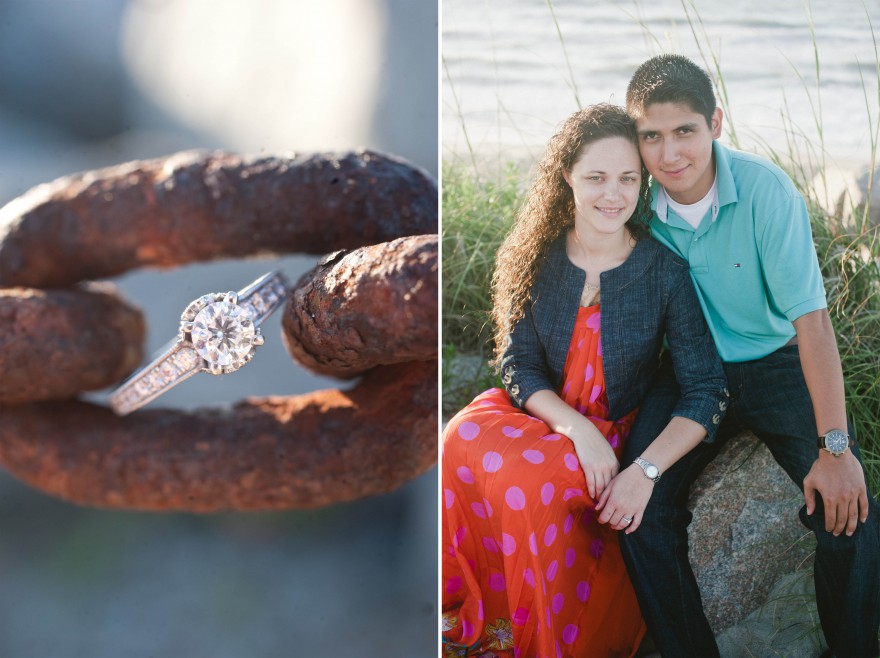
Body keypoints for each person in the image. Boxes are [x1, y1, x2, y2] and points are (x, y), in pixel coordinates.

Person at [441, 103, 728, 658]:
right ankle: (481, 614)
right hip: (544, 416)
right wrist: (575, 429)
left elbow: (706, 389)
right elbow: (517, 365)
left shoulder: (662, 271)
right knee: (459, 437)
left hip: (616, 432)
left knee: (530, 486)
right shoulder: (533, 257)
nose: (612, 195)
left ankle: (534, 633)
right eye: (596, 177)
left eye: (627, 179)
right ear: (566, 175)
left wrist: (643, 467)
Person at [618, 53, 880, 658]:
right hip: (689, 373)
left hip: (777, 364)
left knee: (850, 515)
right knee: (640, 512)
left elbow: (811, 322)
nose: (670, 153)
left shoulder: (766, 191)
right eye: (650, 136)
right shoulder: (634, 207)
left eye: (684, 130)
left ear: (715, 123)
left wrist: (835, 448)